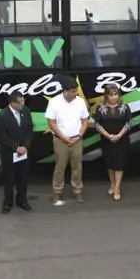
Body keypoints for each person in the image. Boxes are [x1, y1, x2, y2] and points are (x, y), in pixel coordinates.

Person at [45, 76, 90, 205]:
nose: (74, 94)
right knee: (60, 167)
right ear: (64, 91)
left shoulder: (80, 102)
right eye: (72, 91)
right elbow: (51, 123)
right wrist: (63, 137)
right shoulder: (54, 102)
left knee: (77, 167)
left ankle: (77, 191)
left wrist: (80, 135)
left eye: (75, 91)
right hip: (60, 141)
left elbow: (85, 119)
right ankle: (57, 192)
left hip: (77, 140)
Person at [92, 84, 132, 201]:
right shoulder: (100, 107)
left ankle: (117, 188)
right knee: (110, 164)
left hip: (121, 140)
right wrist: (108, 136)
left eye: (116, 94)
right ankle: (112, 184)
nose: (114, 97)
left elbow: (129, 123)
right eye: (111, 95)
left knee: (119, 164)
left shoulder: (125, 107)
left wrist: (119, 135)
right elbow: (97, 124)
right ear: (106, 96)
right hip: (107, 141)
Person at [0, 91, 33, 213]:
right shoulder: (2, 115)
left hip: (23, 152)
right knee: (9, 179)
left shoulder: (26, 111)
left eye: (23, 101)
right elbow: (1, 136)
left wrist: (25, 146)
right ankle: (8, 203)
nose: (22, 104)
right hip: (10, 153)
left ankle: (22, 200)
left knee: (23, 178)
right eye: (20, 102)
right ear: (12, 102)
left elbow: (29, 130)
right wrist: (16, 147)